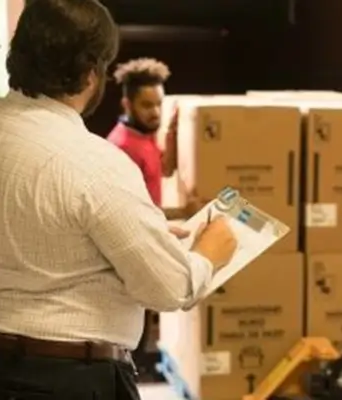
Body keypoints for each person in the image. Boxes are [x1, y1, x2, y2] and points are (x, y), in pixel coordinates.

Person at [0, 1, 237, 399]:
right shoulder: (95, 163)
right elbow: (168, 288)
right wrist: (209, 254)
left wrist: (151, 231)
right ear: (92, 72)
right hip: (58, 378)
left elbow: (31, 224)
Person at [106, 57, 203, 381]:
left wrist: (174, 133)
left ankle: (136, 370)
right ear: (126, 103)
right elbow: (130, 209)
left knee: (144, 318)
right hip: (130, 242)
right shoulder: (121, 146)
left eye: (159, 104)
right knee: (131, 324)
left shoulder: (145, 137)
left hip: (148, 235)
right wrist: (185, 213)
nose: (155, 113)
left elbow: (162, 169)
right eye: (147, 105)